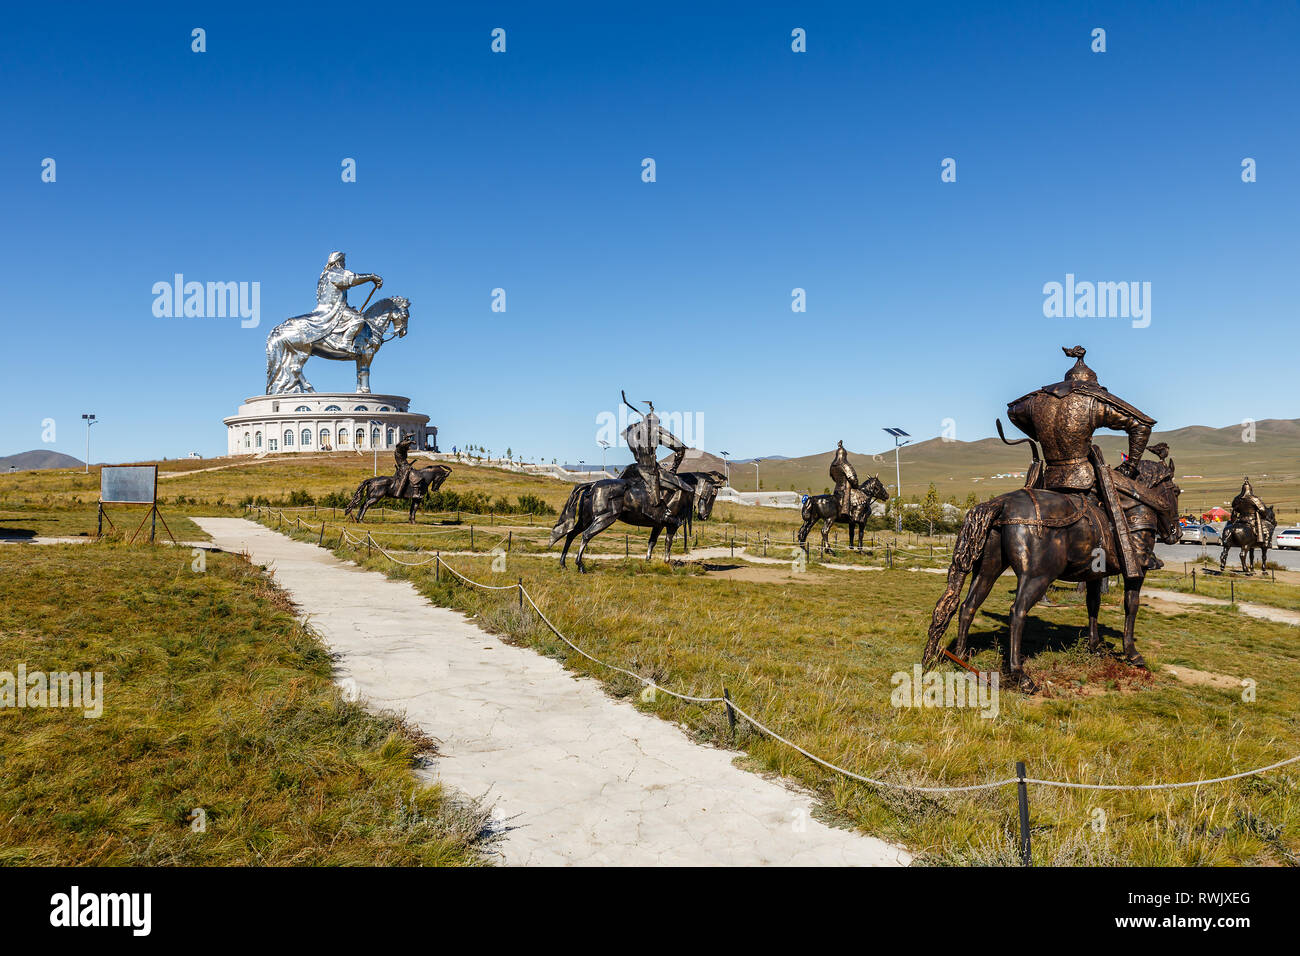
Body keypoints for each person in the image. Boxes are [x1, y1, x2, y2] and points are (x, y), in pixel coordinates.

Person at [1007, 346, 1157, 574]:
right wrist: (1130, 465)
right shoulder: (1092, 398)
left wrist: (1042, 435)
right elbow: (1142, 425)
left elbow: (1013, 412)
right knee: (1140, 501)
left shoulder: (1037, 400)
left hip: (1050, 479)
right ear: (1092, 383)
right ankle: (1133, 558)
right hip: (1083, 477)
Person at [622, 394, 690, 522]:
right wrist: (673, 469)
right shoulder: (656, 432)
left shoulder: (631, 431)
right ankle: (666, 515)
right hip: (650, 469)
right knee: (683, 488)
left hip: (635, 467)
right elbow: (680, 449)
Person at [829, 440, 861, 519]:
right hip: (846, 491)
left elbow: (833, 477)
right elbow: (853, 479)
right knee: (860, 502)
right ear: (844, 454)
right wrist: (856, 486)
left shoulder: (832, 466)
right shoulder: (845, 465)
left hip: (836, 490)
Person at [1231, 477, 1268, 542]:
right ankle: (1266, 542)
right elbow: (1263, 510)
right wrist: (1263, 515)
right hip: (1252, 520)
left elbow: (1233, 506)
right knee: (1265, 528)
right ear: (1250, 489)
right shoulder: (1254, 498)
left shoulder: (1237, 498)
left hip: (1240, 520)